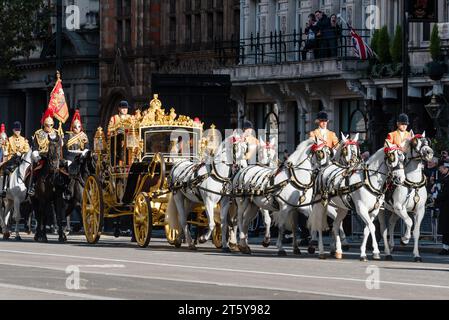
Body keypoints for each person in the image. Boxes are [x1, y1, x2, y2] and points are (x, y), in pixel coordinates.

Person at [28, 109, 63, 196]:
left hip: (54, 155)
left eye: (51, 125)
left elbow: (60, 144)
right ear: (44, 124)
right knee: (36, 168)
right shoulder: (38, 133)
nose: (49, 127)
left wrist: (61, 140)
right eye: (47, 125)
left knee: (63, 168)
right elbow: (35, 146)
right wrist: (36, 155)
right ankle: (32, 184)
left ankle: (63, 186)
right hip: (42, 155)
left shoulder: (56, 133)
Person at [63, 110, 90, 200]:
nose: (77, 129)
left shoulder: (84, 136)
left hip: (81, 157)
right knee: (69, 171)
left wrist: (84, 152)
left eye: (78, 127)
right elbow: (63, 148)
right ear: (72, 127)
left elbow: (87, 147)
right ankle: (68, 189)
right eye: (75, 127)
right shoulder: (67, 137)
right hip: (70, 157)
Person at [0, 122, 30, 197]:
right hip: (12, 159)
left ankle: (30, 187)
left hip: (21, 159)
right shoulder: (9, 139)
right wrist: (5, 151)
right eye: (16, 130)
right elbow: (6, 149)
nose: (17, 132)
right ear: (13, 130)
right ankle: (5, 188)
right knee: (6, 170)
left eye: (19, 130)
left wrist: (21, 152)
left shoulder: (24, 139)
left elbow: (27, 148)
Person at [435, 161, 449, 255]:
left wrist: (437, 196)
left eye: (442, 168)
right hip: (444, 206)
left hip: (447, 206)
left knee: (447, 228)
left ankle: (446, 248)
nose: (440, 170)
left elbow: (446, 193)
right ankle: (445, 248)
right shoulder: (442, 178)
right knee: (445, 229)